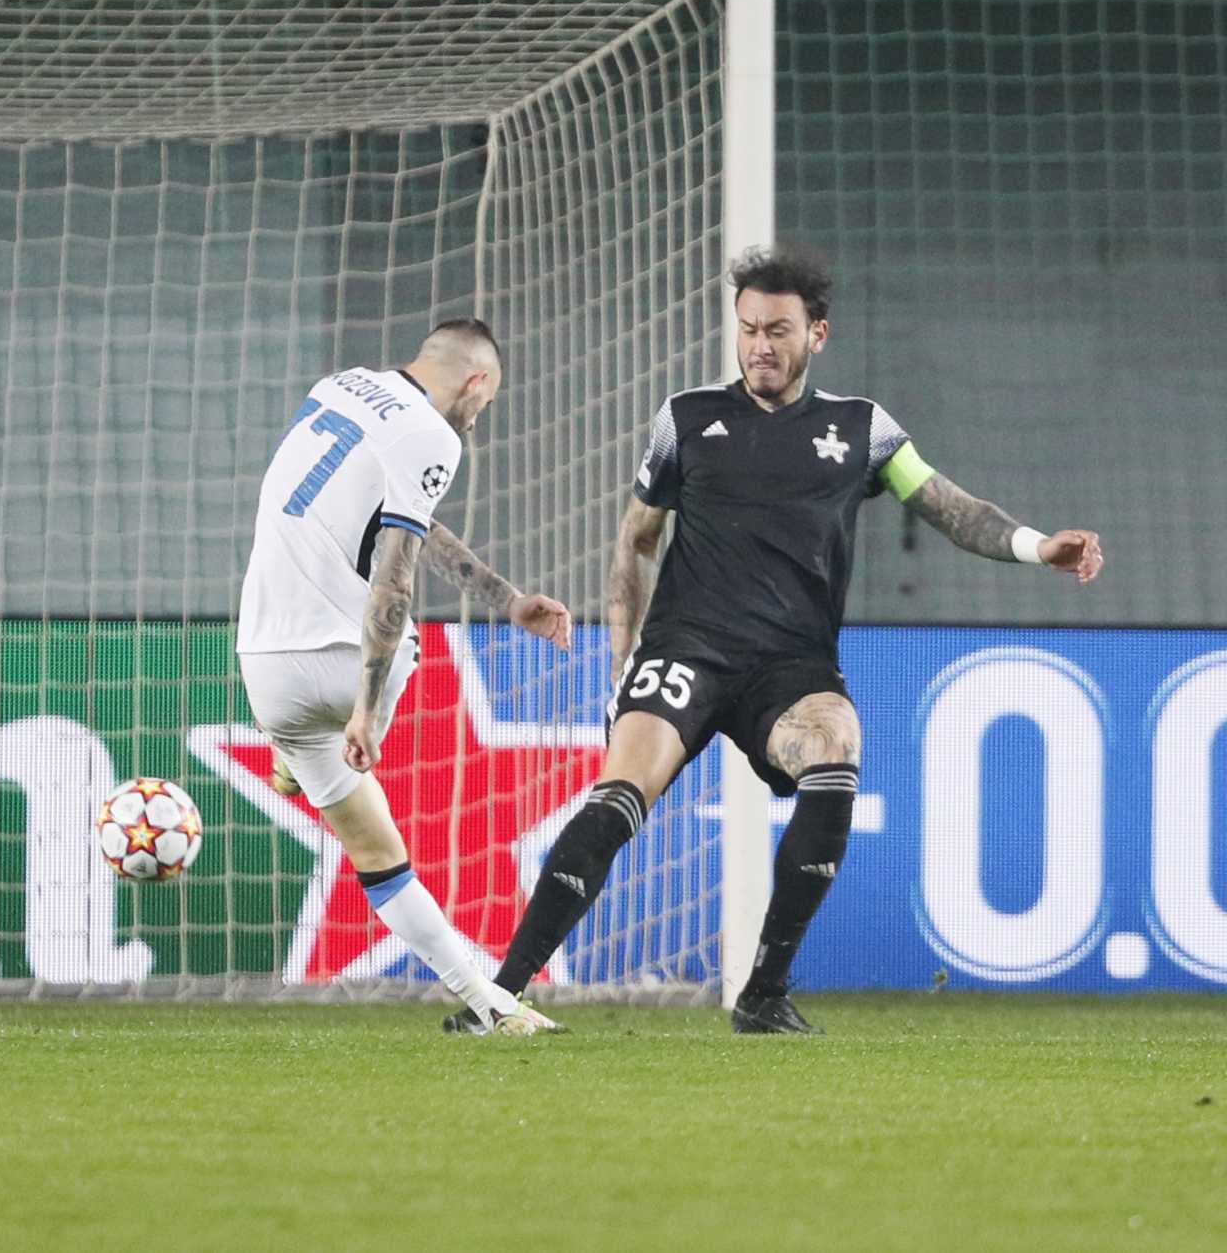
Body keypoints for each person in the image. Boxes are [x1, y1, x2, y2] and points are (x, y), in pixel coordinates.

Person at [463, 247, 1105, 1035]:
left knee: (837, 749)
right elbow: (635, 539)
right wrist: (623, 661)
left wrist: (1039, 546)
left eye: (778, 330)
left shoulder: (862, 429)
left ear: (817, 335)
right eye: (748, 329)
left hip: (791, 666)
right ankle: (500, 994)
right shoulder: (687, 419)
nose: (760, 344)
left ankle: (763, 993)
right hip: (685, 650)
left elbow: (949, 506)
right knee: (621, 792)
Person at [237, 321, 574, 1035]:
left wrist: (506, 598)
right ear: (476, 380)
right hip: (336, 663)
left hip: (262, 668)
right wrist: (366, 708)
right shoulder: (433, 433)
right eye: (487, 400)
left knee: (380, 856)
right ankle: (339, 725)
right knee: (404, 634)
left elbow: (411, 526)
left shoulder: (339, 387)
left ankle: (491, 1003)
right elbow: (395, 577)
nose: (479, 417)